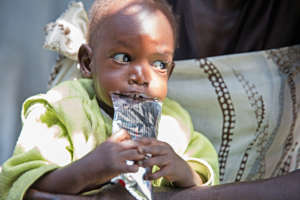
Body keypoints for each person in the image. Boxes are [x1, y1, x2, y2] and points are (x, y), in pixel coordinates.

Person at [0, 0, 219, 200]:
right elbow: (21, 185)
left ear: (169, 73)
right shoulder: (62, 109)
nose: (142, 77)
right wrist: (91, 169)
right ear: (88, 62)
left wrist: (183, 172)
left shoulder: (174, 121)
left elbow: (207, 176)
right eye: (123, 58)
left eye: (159, 64)